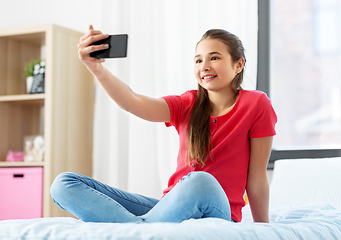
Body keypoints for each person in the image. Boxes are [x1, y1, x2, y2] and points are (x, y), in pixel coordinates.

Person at [50, 25, 277, 223]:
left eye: (214, 57)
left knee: (201, 181)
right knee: (64, 184)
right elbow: (132, 101)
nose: (204, 66)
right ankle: (141, 229)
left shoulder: (256, 104)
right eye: (198, 60)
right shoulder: (187, 103)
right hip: (169, 206)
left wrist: (263, 229)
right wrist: (96, 68)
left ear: (239, 65)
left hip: (218, 210)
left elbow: (256, 178)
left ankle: (139, 227)